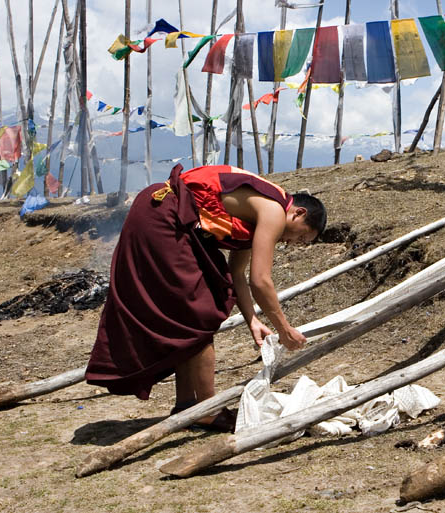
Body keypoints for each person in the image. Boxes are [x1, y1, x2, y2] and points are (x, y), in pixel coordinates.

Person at [85, 164, 326, 432]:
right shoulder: (273, 211)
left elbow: (238, 273)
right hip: (164, 216)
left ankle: (188, 406)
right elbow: (261, 280)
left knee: (195, 310)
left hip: (165, 217)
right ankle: (208, 411)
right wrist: (284, 329)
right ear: (299, 213)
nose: (292, 242)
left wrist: (253, 320)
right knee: (200, 313)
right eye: (301, 235)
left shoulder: (259, 213)